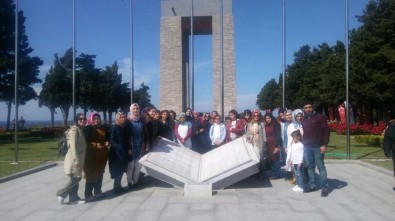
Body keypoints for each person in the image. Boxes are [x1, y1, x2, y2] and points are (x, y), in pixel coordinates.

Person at [300, 100, 330, 197]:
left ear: (313, 107)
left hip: (318, 147)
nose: (308, 109)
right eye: (306, 107)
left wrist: (324, 145)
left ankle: (324, 187)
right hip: (307, 147)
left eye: (310, 107)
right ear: (304, 109)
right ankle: (312, 185)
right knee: (310, 167)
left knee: (321, 167)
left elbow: (326, 131)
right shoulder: (303, 119)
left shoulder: (320, 117)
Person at [56, 113, 87, 205]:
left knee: (76, 179)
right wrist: (76, 160)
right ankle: (61, 194)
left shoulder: (79, 129)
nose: (82, 120)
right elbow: (72, 146)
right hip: (74, 160)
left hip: (77, 159)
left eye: (84, 119)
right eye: (80, 119)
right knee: (75, 179)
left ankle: (74, 198)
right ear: (76, 120)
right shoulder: (74, 130)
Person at [83, 113, 110, 201]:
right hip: (91, 155)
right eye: (94, 118)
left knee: (100, 173)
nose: (96, 120)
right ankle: (88, 194)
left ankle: (98, 191)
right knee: (91, 174)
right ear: (91, 119)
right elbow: (84, 142)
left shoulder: (103, 128)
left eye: (98, 118)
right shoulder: (88, 128)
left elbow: (107, 138)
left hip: (102, 155)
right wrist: (95, 145)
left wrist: (107, 142)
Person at [126, 103, 146, 188]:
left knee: (138, 165)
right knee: (131, 165)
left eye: (137, 108)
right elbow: (126, 135)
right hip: (132, 144)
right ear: (131, 110)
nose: (135, 110)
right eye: (133, 109)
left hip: (140, 144)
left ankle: (135, 182)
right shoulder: (128, 121)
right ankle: (129, 183)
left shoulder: (141, 120)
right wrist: (129, 147)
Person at [109, 112, 129, 195]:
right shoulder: (114, 127)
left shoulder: (122, 127)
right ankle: (116, 189)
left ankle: (119, 187)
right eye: (121, 117)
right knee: (117, 171)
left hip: (122, 152)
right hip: (116, 153)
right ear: (117, 118)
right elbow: (112, 140)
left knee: (121, 170)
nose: (123, 119)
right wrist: (119, 148)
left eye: (124, 117)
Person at [244, 109, 268, 179]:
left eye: (257, 115)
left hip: (259, 143)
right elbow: (247, 134)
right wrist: (250, 136)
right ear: (252, 116)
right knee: (253, 158)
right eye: (254, 115)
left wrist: (264, 144)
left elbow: (264, 135)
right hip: (251, 143)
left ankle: (260, 173)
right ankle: (253, 173)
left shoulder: (262, 124)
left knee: (259, 158)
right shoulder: (249, 124)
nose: (256, 117)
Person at [263, 113, 282, 179]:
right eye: (266, 118)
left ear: (272, 118)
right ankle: (274, 172)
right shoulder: (266, 125)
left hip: (274, 143)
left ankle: (277, 174)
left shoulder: (276, 124)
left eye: (269, 118)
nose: (268, 119)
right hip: (269, 144)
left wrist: (277, 147)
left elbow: (278, 136)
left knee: (276, 159)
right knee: (271, 159)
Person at [383, 113, 395, 191]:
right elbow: (387, 141)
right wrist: (387, 151)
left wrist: (387, 151)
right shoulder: (391, 128)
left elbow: (387, 141)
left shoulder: (390, 127)